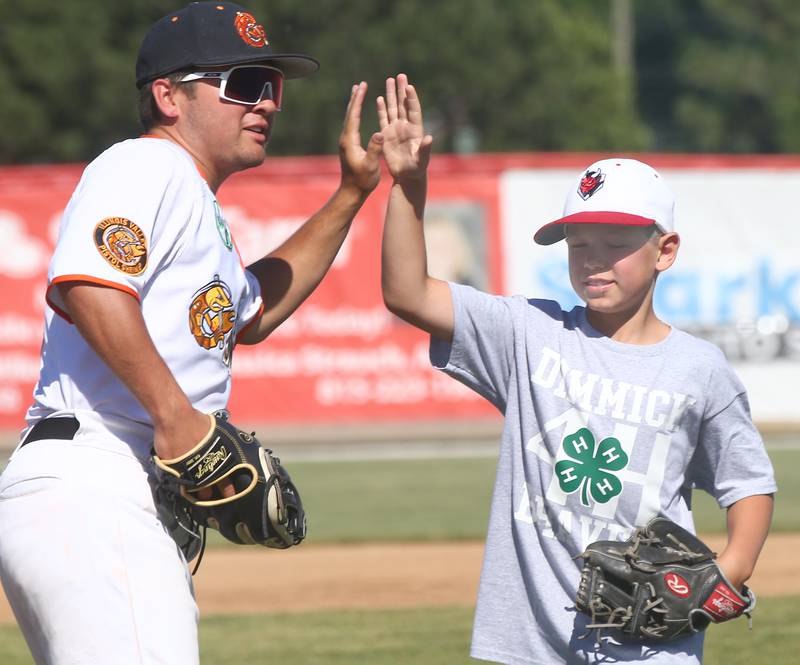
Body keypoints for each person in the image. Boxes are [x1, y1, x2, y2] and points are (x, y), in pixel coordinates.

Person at [0, 2, 383, 663]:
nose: (265, 102)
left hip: (99, 496)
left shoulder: (193, 200)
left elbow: (253, 310)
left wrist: (351, 192)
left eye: (272, 85)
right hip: (100, 482)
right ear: (167, 95)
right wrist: (176, 416)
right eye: (241, 84)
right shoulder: (146, 166)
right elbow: (90, 285)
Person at [378, 74, 776, 664]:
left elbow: (747, 483)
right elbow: (407, 292)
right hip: (529, 641)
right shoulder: (529, 333)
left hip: (651, 647)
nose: (593, 260)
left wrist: (731, 570)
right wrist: (407, 187)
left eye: (615, 242)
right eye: (578, 244)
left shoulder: (699, 368)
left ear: (665, 250)